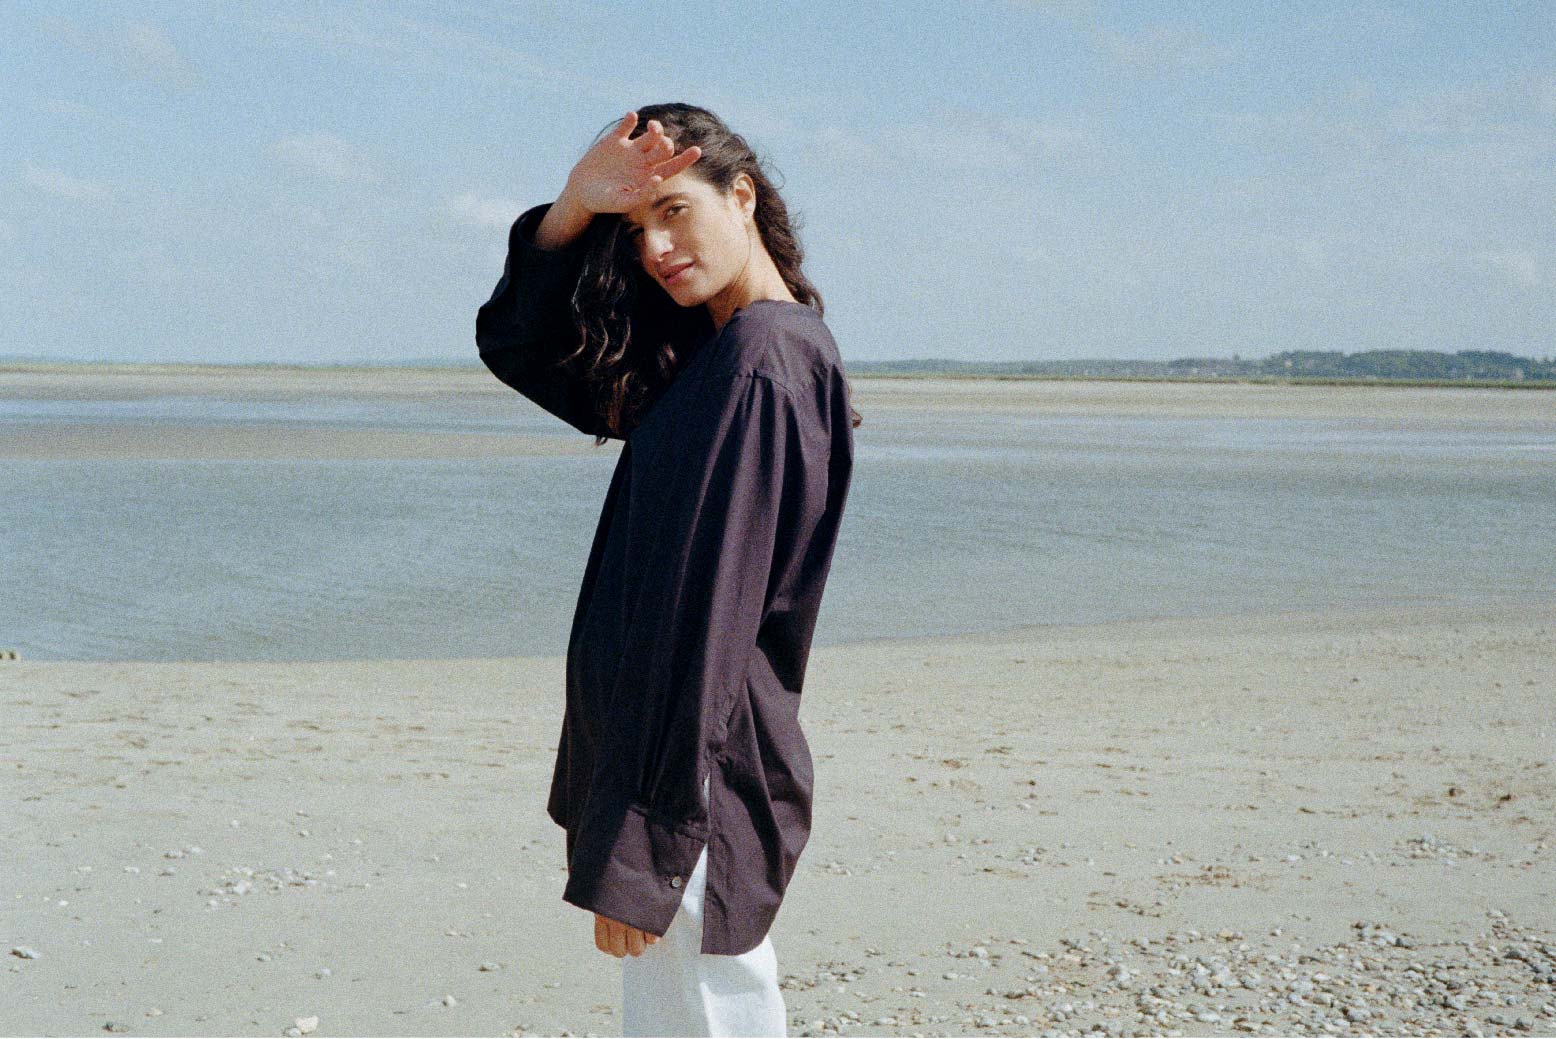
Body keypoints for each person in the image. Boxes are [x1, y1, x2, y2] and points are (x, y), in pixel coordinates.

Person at [474, 103, 859, 1037]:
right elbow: (523, 347)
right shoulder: (706, 358)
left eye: (675, 211)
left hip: (695, 797)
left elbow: (705, 624)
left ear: (742, 195)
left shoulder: (761, 363)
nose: (654, 246)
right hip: (683, 785)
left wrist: (642, 845)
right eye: (637, 228)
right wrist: (573, 208)